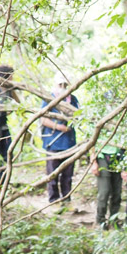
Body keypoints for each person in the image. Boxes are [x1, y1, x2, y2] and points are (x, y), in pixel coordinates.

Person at [40, 72, 79, 204]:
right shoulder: (48, 99)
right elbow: (43, 119)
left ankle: (66, 200)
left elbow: (79, 116)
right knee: (53, 174)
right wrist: (58, 126)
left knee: (67, 175)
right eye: (60, 84)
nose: (63, 87)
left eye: (65, 84)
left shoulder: (73, 100)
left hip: (69, 143)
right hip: (53, 143)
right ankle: (54, 200)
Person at [91, 143, 125, 229]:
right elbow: (92, 142)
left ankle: (114, 220)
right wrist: (94, 162)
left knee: (117, 192)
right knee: (104, 191)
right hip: (102, 156)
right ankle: (100, 220)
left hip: (118, 156)